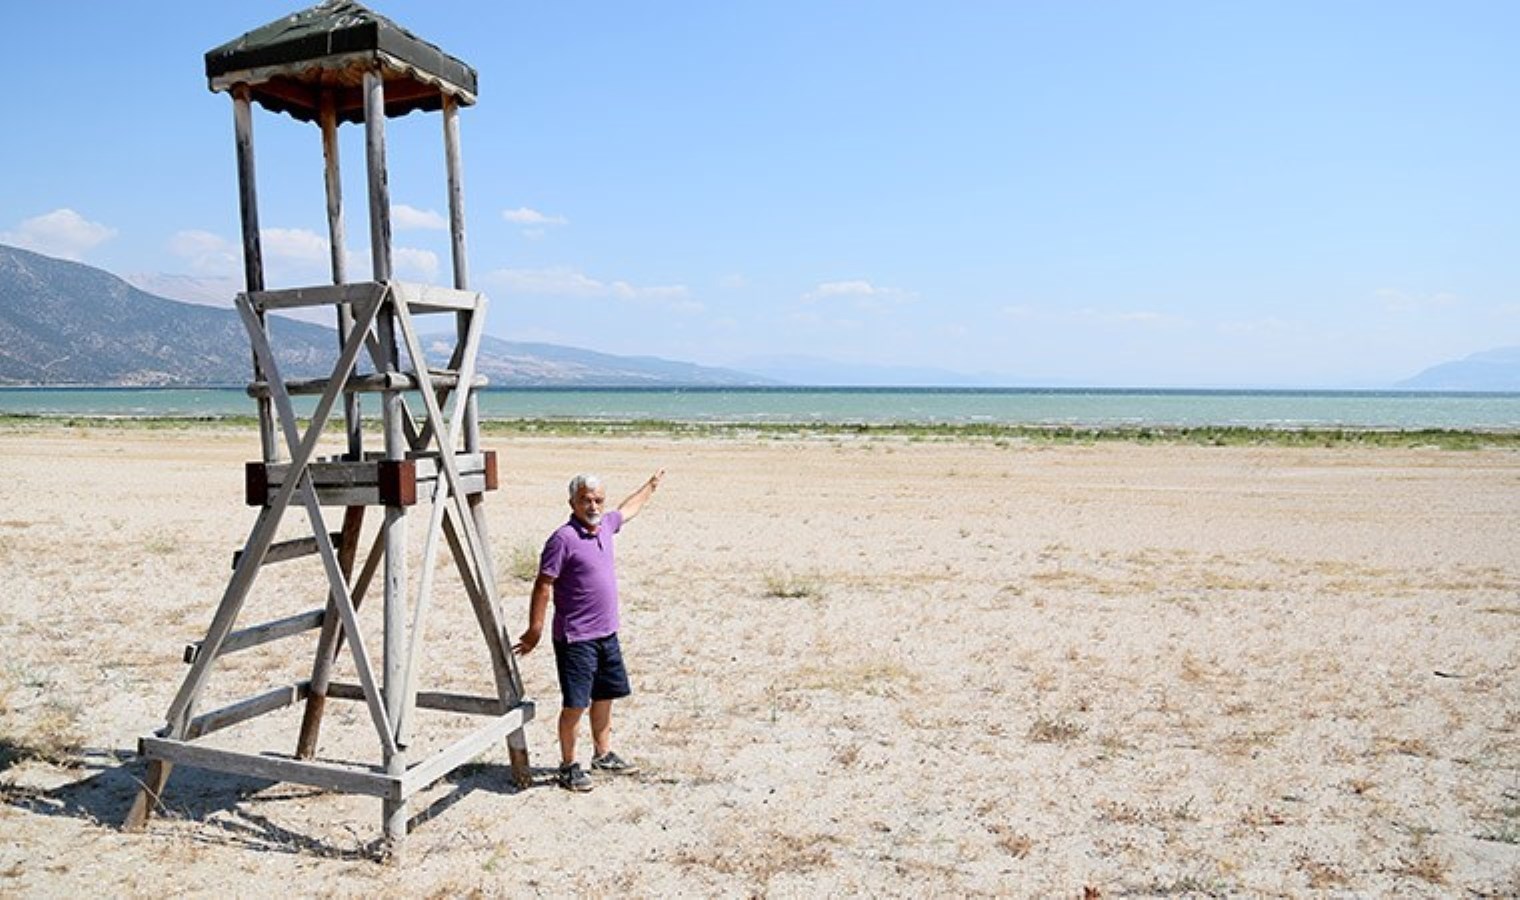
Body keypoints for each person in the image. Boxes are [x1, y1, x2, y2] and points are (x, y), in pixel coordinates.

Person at [514, 469, 665, 792]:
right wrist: (535, 629)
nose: (593, 506)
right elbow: (543, 584)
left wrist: (649, 486)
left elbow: (628, 510)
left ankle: (603, 754)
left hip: (606, 633)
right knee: (575, 705)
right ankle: (568, 766)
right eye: (586, 500)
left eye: (598, 500)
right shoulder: (562, 539)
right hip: (576, 638)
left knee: (604, 696)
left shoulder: (605, 527)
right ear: (572, 502)